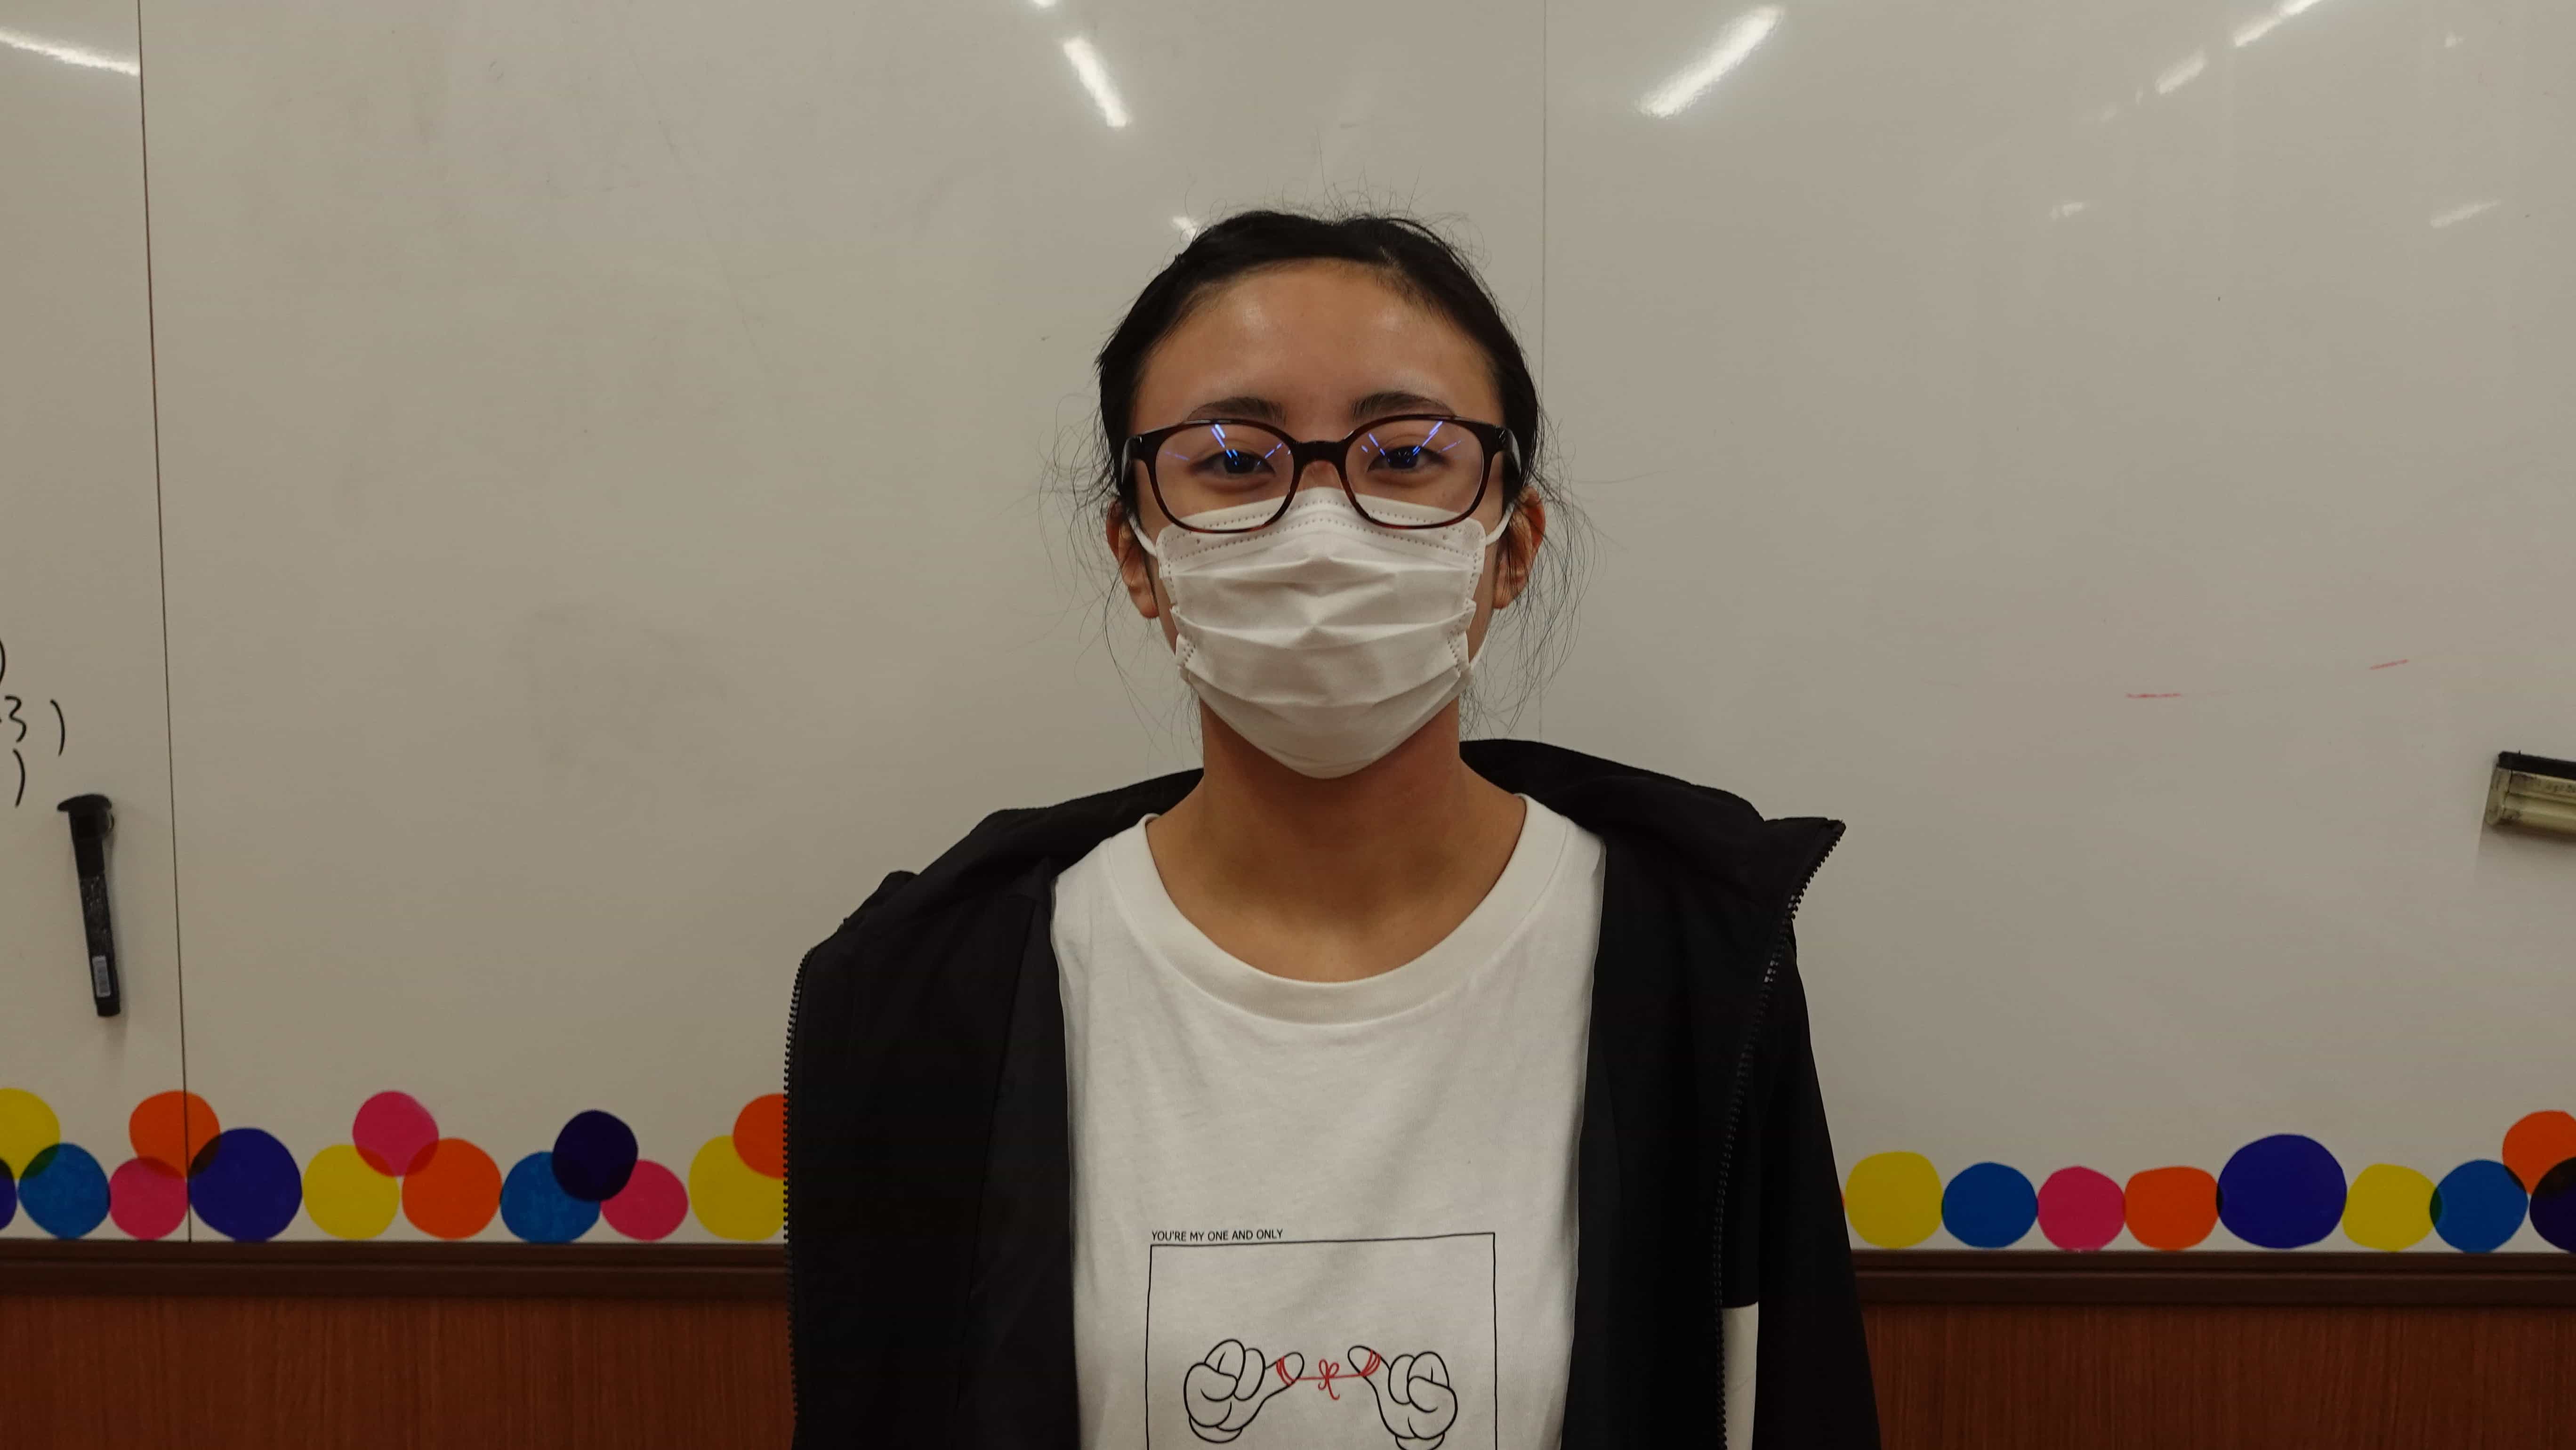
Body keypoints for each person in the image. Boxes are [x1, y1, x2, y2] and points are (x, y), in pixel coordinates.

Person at [784, 209, 1878, 1449]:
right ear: (1137, 554)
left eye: (1405, 454)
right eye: (1233, 461)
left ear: (1510, 546)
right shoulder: (933, 987)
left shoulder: (1697, 956)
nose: (1320, 528)